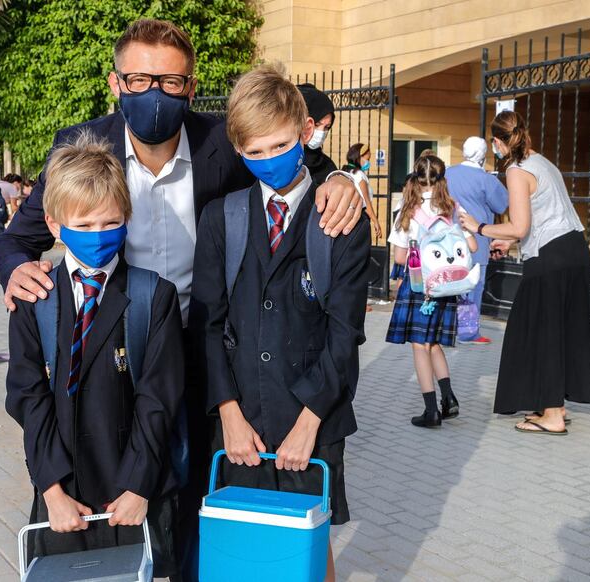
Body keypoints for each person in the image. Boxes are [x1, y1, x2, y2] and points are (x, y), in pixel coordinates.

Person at [0, 19, 362, 581]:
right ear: (115, 83)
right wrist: (17, 269)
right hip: (124, 360)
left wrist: (340, 180)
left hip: (210, 354)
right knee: (124, 499)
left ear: (191, 86)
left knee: (201, 504)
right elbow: (20, 237)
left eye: (170, 81)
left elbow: (280, 154)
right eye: (139, 80)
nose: (154, 94)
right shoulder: (82, 146)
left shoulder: (219, 140)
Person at [190, 65, 370, 582]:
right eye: (254, 151)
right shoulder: (221, 217)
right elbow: (208, 322)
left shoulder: (339, 220)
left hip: (311, 419)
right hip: (239, 421)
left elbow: (345, 331)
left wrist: (309, 422)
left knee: (308, 547)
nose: (268, 159)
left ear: (306, 132)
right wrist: (227, 413)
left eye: (280, 145)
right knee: (246, 551)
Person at [5, 133, 183, 576]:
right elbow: (28, 398)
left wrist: (139, 486)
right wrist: (51, 490)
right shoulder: (34, 298)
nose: (98, 236)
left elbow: (158, 400)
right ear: (54, 224)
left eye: (110, 223)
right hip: (62, 497)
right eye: (83, 226)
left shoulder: (153, 296)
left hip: (129, 495)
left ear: (126, 217)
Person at [459, 111, 590, 435]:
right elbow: (538, 220)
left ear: (497, 142)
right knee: (561, 331)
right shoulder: (543, 162)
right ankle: (557, 405)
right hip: (575, 251)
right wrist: (507, 240)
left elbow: (521, 225)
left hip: (551, 260)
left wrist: (479, 227)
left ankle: (551, 415)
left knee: (542, 332)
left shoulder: (517, 171)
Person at [386, 155, 478, 428]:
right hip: (448, 285)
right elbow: (471, 248)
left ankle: (430, 411)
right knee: (434, 342)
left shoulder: (408, 208)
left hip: (420, 286)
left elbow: (400, 258)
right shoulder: (451, 207)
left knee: (419, 346)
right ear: (442, 179)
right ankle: (448, 400)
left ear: (415, 178)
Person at [445, 136, 509, 345]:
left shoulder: (447, 173)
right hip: (477, 243)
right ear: (483, 155)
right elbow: (501, 206)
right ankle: (468, 332)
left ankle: (445, 327)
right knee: (473, 288)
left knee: (447, 283)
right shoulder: (487, 180)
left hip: (448, 240)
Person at [297, 83, 337, 185]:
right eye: (317, 124)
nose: (321, 132)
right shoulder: (280, 160)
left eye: (327, 127)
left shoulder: (327, 166)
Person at [342, 143, 383, 237]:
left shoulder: (345, 172)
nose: (368, 162)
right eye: (367, 159)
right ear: (358, 157)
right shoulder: (359, 174)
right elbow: (366, 201)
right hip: (359, 218)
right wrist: (375, 221)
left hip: (346, 216)